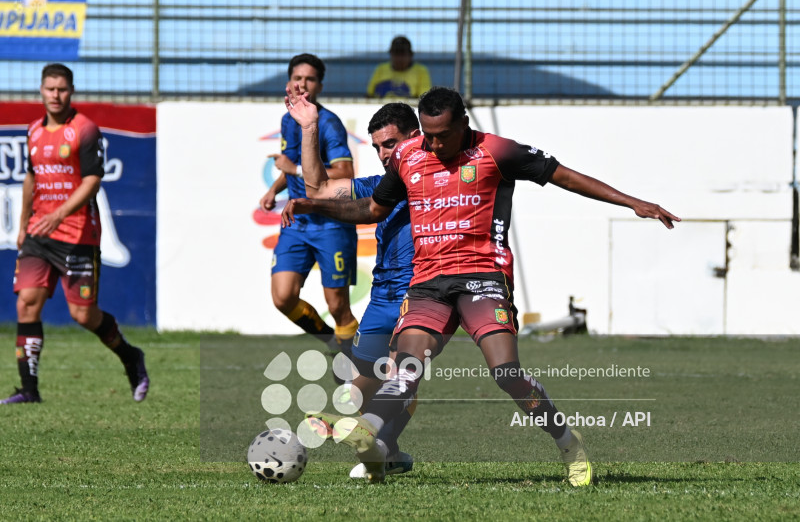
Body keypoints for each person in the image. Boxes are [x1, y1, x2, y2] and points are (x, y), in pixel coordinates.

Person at [284, 86, 681, 485]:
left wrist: (632, 202)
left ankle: (566, 440)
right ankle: (368, 432)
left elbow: (565, 176)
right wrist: (311, 203)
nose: (434, 144)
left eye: (442, 135)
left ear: (464, 124)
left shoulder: (496, 151)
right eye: (427, 134)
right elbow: (372, 208)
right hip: (428, 283)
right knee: (406, 368)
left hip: (482, 278)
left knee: (507, 373)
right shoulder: (408, 155)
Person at [284, 83, 419, 478]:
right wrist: (309, 129)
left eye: (390, 144)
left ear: (415, 137)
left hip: (421, 293)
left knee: (400, 374)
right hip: (382, 295)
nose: (383, 154)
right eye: (377, 147)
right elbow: (319, 188)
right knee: (356, 388)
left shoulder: (436, 180)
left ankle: (376, 444)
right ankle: (387, 454)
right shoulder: (381, 184)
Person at [2, 63, 149, 405]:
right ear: (41, 90)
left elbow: (92, 181)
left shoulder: (84, 129)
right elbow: (31, 177)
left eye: (62, 89)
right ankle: (29, 390)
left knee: (82, 314)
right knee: (27, 303)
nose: (56, 95)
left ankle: (131, 357)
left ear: (71, 90)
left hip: (77, 233)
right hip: (40, 232)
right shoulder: (34, 130)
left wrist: (58, 214)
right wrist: (25, 223)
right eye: (50, 89)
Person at [259, 54, 359, 354]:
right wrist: (276, 189)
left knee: (338, 305)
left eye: (310, 79)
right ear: (289, 82)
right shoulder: (288, 120)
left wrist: (292, 171)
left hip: (331, 222)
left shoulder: (328, 124)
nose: (302, 83)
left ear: (320, 85)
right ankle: (333, 343)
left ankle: (353, 362)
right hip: (297, 221)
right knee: (282, 297)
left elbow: (345, 173)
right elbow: (294, 164)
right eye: (297, 78)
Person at [366, 36, 432, 99]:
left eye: (403, 54)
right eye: (396, 54)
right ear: (391, 54)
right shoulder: (381, 69)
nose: (399, 59)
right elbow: (369, 95)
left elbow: (425, 99)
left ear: (411, 55)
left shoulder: (421, 70)